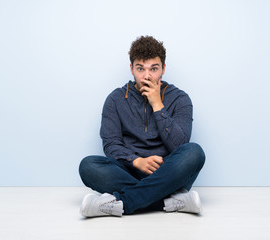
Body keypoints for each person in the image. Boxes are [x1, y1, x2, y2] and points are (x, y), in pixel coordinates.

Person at [79, 36, 205, 217]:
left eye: (154, 69)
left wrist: (157, 104)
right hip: (129, 173)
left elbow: (180, 145)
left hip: (168, 173)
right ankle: (172, 201)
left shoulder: (180, 99)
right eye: (140, 69)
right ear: (131, 69)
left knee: (194, 152)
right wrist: (136, 161)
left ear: (163, 69)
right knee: (88, 165)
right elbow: (111, 144)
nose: (147, 76)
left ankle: (122, 203)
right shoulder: (115, 99)